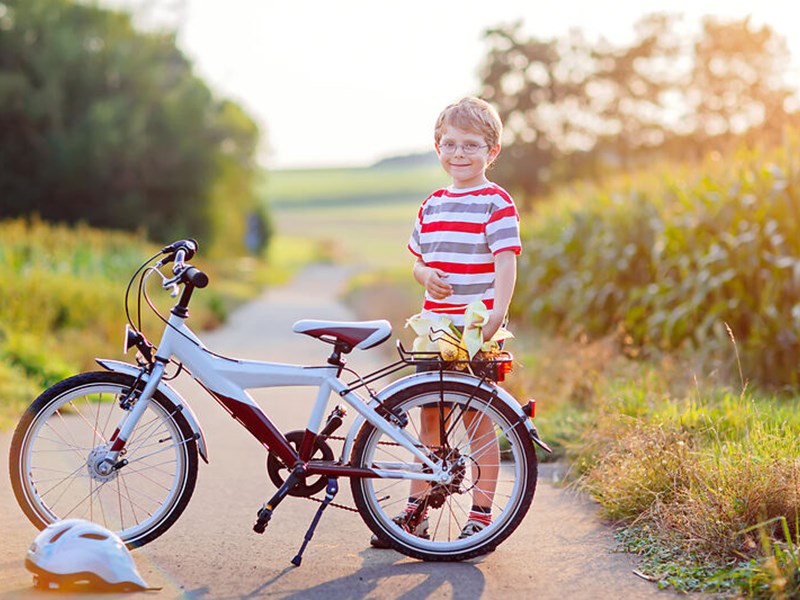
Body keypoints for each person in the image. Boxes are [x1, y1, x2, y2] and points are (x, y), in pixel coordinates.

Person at [370, 97, 522, 547]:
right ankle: (416, 511)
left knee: (478, 420)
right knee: (430, 421)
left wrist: (498, 311)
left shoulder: (496, 202)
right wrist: (425, 274)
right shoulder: (432, 204)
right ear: (438, 147)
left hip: (475, 328)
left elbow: (505, 261)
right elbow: (418, 259)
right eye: (450, 144)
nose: (459, 154)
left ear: (491, 152)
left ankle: (480, 513)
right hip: (435, 329)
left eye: (471, 146)